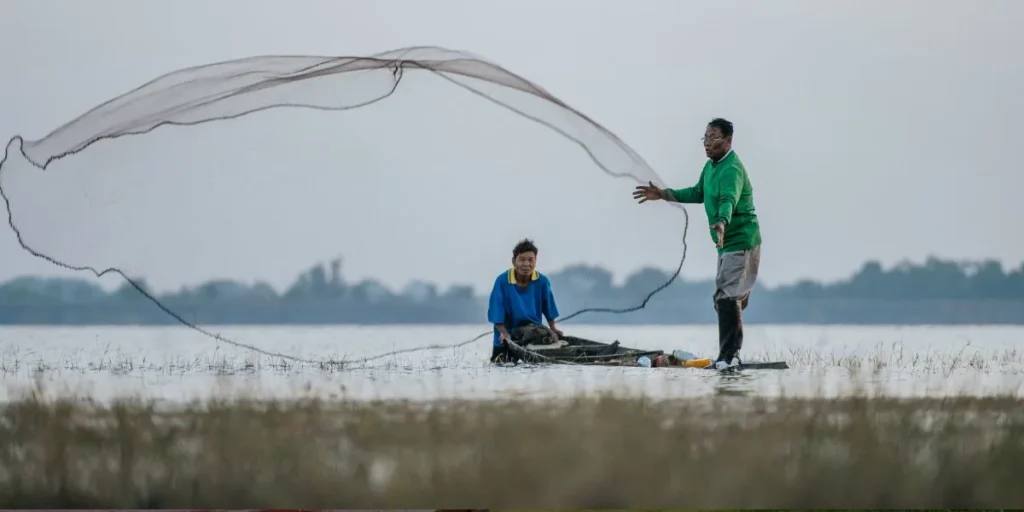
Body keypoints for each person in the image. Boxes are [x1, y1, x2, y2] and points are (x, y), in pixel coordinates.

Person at [632, 118, 761, 370]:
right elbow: (697, 192)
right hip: (725, 244)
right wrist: (663, 194)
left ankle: (729, 356)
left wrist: (722, 221)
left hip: (741, 240)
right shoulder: (710, 167)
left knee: (727, 297)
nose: (707, 143)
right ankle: (728, 355)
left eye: (713, 138)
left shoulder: (732, 169)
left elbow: (728, 199)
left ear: (728, 141)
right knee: (725, 298)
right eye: (705, 138)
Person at [486, 238, 563, 363]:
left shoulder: (542, 281)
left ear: (535, 261)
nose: (526, 264)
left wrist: (553, 328)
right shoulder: (502, 281)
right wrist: (504, 333)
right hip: (507, 337)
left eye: (530, 260)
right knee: (501, 364)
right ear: (513, 261)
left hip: (532, 335)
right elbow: (496, 311)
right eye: (522, 260)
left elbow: (548, 307)